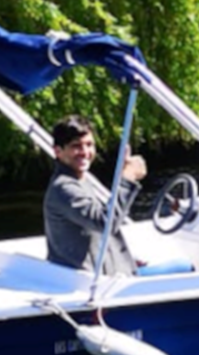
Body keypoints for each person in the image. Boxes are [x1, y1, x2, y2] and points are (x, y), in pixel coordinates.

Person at [43, 115, 146, 275]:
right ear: (58, 151)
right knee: (184, 266)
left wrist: (125, 261)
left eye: (89, 145)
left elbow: (96, 232)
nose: (85, 152)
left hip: (103, 273)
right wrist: (127, 179)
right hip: (87, 283)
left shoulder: (79, 179)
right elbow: (105, 223)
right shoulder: (64, 188)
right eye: (76, 146)